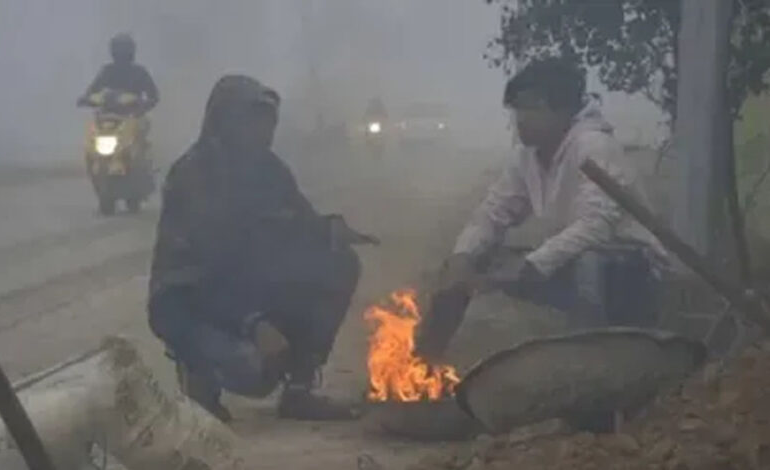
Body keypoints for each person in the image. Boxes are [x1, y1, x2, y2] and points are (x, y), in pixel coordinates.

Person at [148, 75, 369, 422]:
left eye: (268, 122)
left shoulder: (269, 170)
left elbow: (299, 221)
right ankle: (200, 383)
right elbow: (207, 270)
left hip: (250, 287)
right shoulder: (195, 176)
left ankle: (299, 391)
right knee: (253, 369)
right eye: (253, 121)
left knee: (339, 263)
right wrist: (253, 323)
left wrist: (329, 229)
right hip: (191, 302)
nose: (264, 131)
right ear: (226, 121)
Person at [417, 58, 669, 359]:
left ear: (562, 110)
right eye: (517, 109)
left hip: (630, 272)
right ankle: (423, 362)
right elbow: (492, 213)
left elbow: (596, 227)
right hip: (568, 261)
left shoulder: (594, 146)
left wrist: (531, 266)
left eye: (531, 108)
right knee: (465, 266)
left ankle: (590, 360)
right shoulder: (526, 157)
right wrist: (463, 256)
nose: (521, 119)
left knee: (588, 264)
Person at [78, 33, 159, 114]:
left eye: (124, 51)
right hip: (106, 116)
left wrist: (142, 106)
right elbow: (93, 90)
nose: (121, 55)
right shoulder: (107, 71)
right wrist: (86, 99)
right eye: (119, 52)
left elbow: (153, 96)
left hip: (133, 116)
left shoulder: (140, 72)